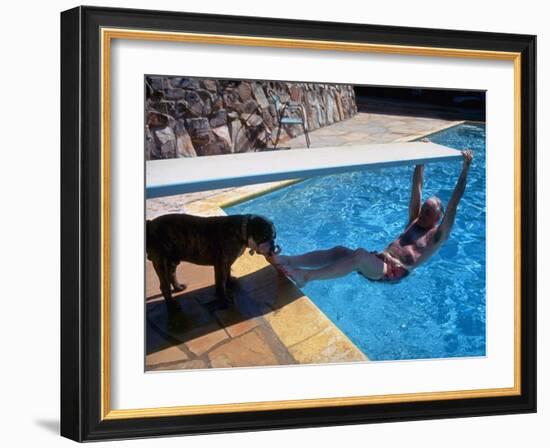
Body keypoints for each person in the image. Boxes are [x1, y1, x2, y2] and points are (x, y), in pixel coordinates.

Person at [268, 148, 474, 287]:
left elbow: (454, 204)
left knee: (357, 256)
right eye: (423, 208)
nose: (422, 212)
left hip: (392, 272)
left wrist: (465, 170)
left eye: (428, 212)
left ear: (438, 219)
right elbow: (417, 186)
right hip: (378, 260)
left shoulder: (436, 236)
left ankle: (306, 276)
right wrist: (422, 157)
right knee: (340, 250)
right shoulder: (414, 220)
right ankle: (290, 260)